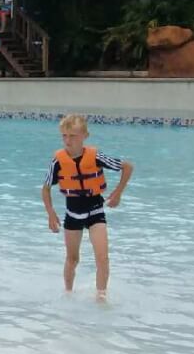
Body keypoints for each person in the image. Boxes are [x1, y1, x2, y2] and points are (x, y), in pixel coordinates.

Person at [41, 114, 134, 301]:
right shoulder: (58, 162)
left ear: (85, 136)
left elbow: (127, 167)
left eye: (73, 136)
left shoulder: (95, 156)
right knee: (72, 259)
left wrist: (118, 193)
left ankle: (101, 297)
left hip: (95, 213)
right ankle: (67, 293)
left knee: (102, 258)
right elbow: (45, 188)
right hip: (72, 215)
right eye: (64, 136)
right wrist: (50, 213)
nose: (68, 140)